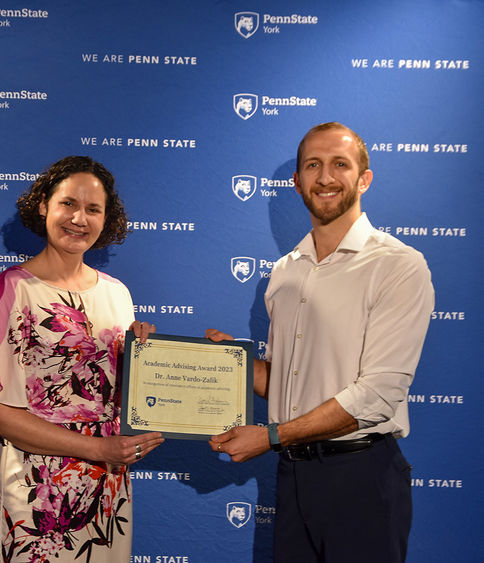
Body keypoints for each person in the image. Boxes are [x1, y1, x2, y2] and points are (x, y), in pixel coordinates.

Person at [207, 122, 433, 562]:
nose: (325, 177)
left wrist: (270, 437)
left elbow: (377, 395)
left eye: (339, 165)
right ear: (297, 182)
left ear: (364, 178)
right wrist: (228, 364)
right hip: (294, 476)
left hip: (362, 477)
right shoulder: (285, 272)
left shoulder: (398, 266)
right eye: (313, 165)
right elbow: (288, 383)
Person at [0, 156, 164, 562]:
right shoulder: (12, 289)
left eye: (93, 209)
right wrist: (98, 451)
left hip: (108, 492)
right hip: (38, 498)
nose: (79, 219)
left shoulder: (117, 294)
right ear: (43, 206)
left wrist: (146, 363)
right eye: (68, 204)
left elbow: (124, 404)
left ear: (106, 219)